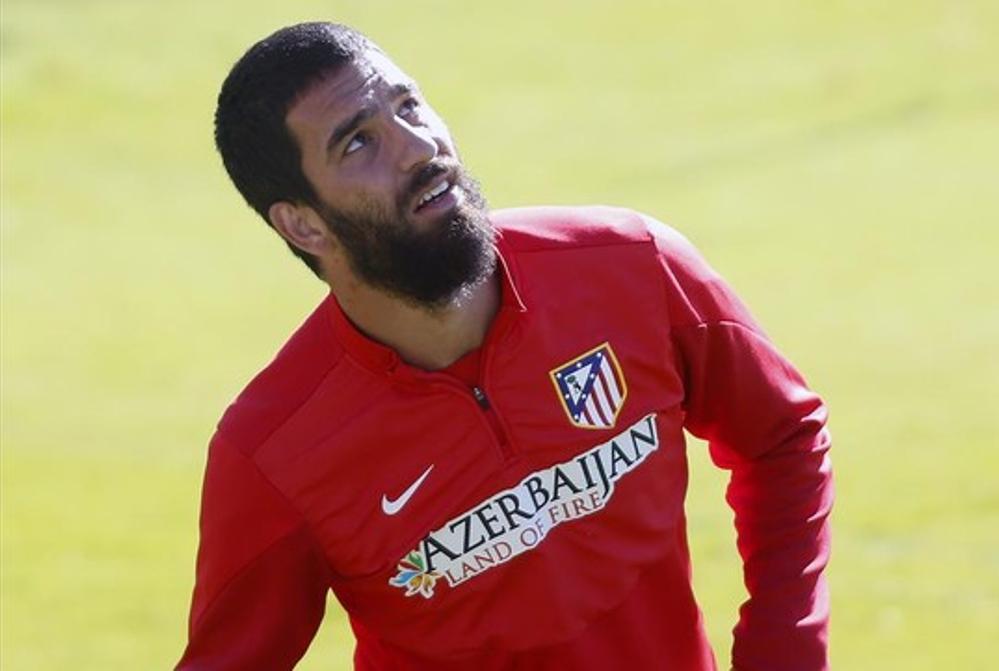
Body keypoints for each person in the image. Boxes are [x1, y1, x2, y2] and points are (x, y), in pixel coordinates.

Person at [178, 21, 833, 671]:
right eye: (358, 143)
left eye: (408, 104)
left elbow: (781, 435)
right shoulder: (272, 452)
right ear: (302, 222)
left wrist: (786, 650)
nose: (416, 147)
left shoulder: (629, 264)